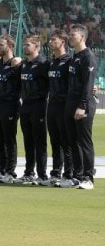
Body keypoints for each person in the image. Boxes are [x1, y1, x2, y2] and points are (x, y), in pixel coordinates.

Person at [0, 35, 22, 183]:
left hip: (10, 105)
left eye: (1, 45)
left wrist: (20, 61)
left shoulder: (16, 63)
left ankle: (10, 171)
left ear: (10, 46)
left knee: (9, 139)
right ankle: (0, 169)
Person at [65, 24, 98, 190]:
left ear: (82, 37)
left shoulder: (88, 57)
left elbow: (88, 85)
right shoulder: (74, 57)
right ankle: (77, 176)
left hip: (82, 105)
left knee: (84, 141)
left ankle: (88, 177)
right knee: (73, 142)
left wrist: (82, 106)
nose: (70, 37)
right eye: (69, 34)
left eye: (73, 35)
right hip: (71, 104)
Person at [14, 35, 49, 185]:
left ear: (37, 47)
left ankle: (42, 175)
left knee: (39, 141)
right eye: (24, 45)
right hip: (25, 106)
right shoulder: (23, 65)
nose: (25, 47)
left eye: (28, 45)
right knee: (28, 141)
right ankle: (29, 172)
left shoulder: (44, 64)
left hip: (39, 105)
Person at [44, 30, 72, 187]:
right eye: (50, 40)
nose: (50, 42)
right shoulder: (52, 62)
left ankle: (68, 174)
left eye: (54, 40)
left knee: (65, 142)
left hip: (64, 106)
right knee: (55, 142)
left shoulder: (69, 61)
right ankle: (56, 173)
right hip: (52, 105)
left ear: (62, 42)